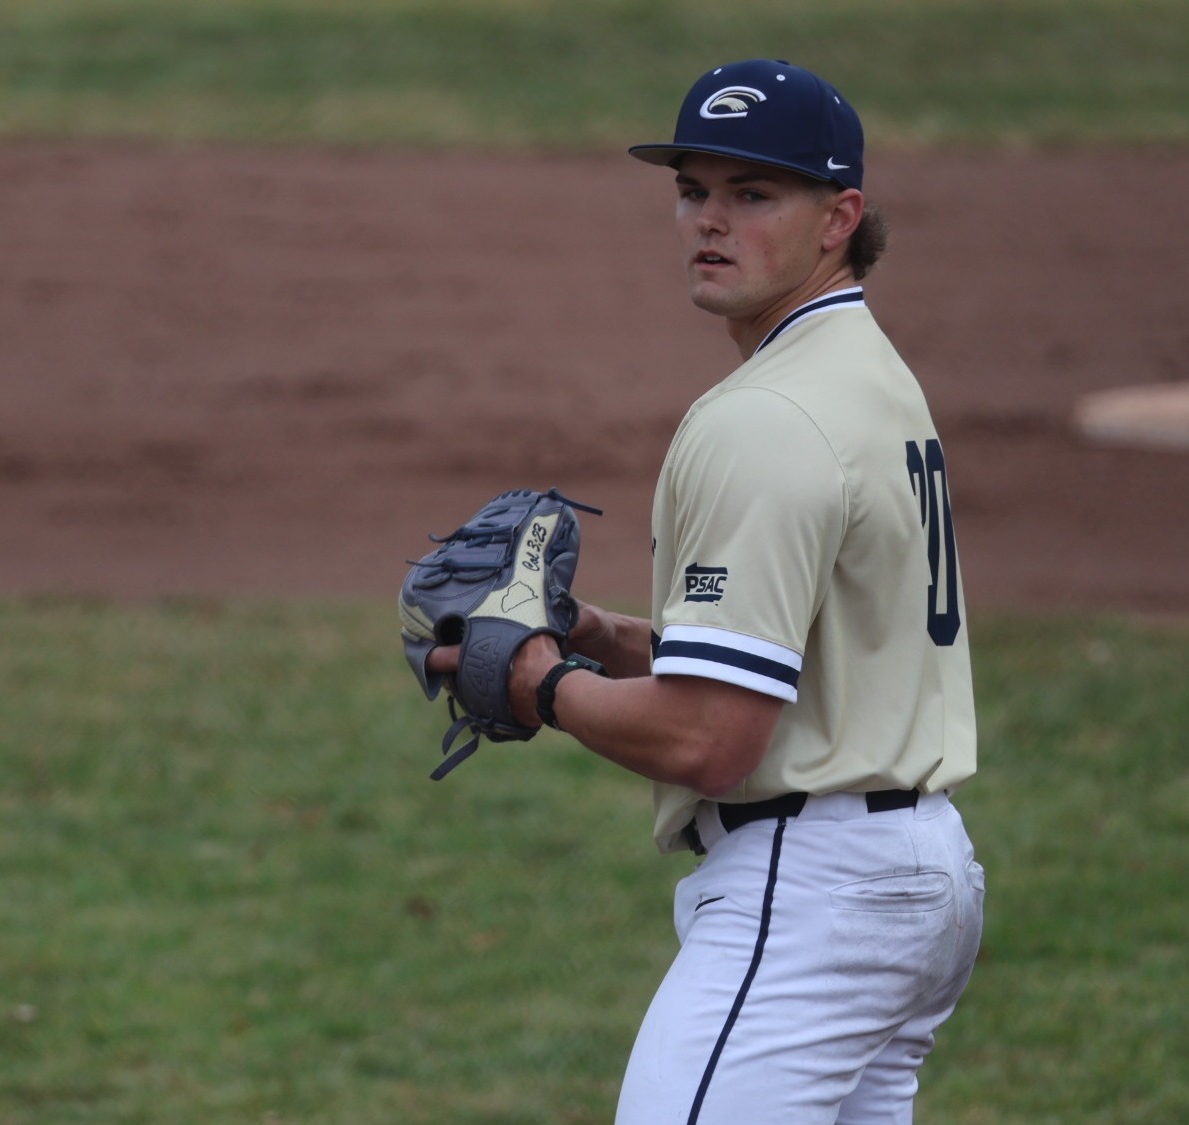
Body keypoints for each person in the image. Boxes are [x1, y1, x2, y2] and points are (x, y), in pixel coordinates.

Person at [429, 59, 983, 1122]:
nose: (709, 221)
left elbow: (710, 740)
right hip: (910, 873)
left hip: (812, 898)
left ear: (839, 217)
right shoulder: (867, 376)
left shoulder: (763, 419)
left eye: (753, 193)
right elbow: (803, 660)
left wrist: (540, 682)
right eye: (693, 190)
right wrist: (594, 636)